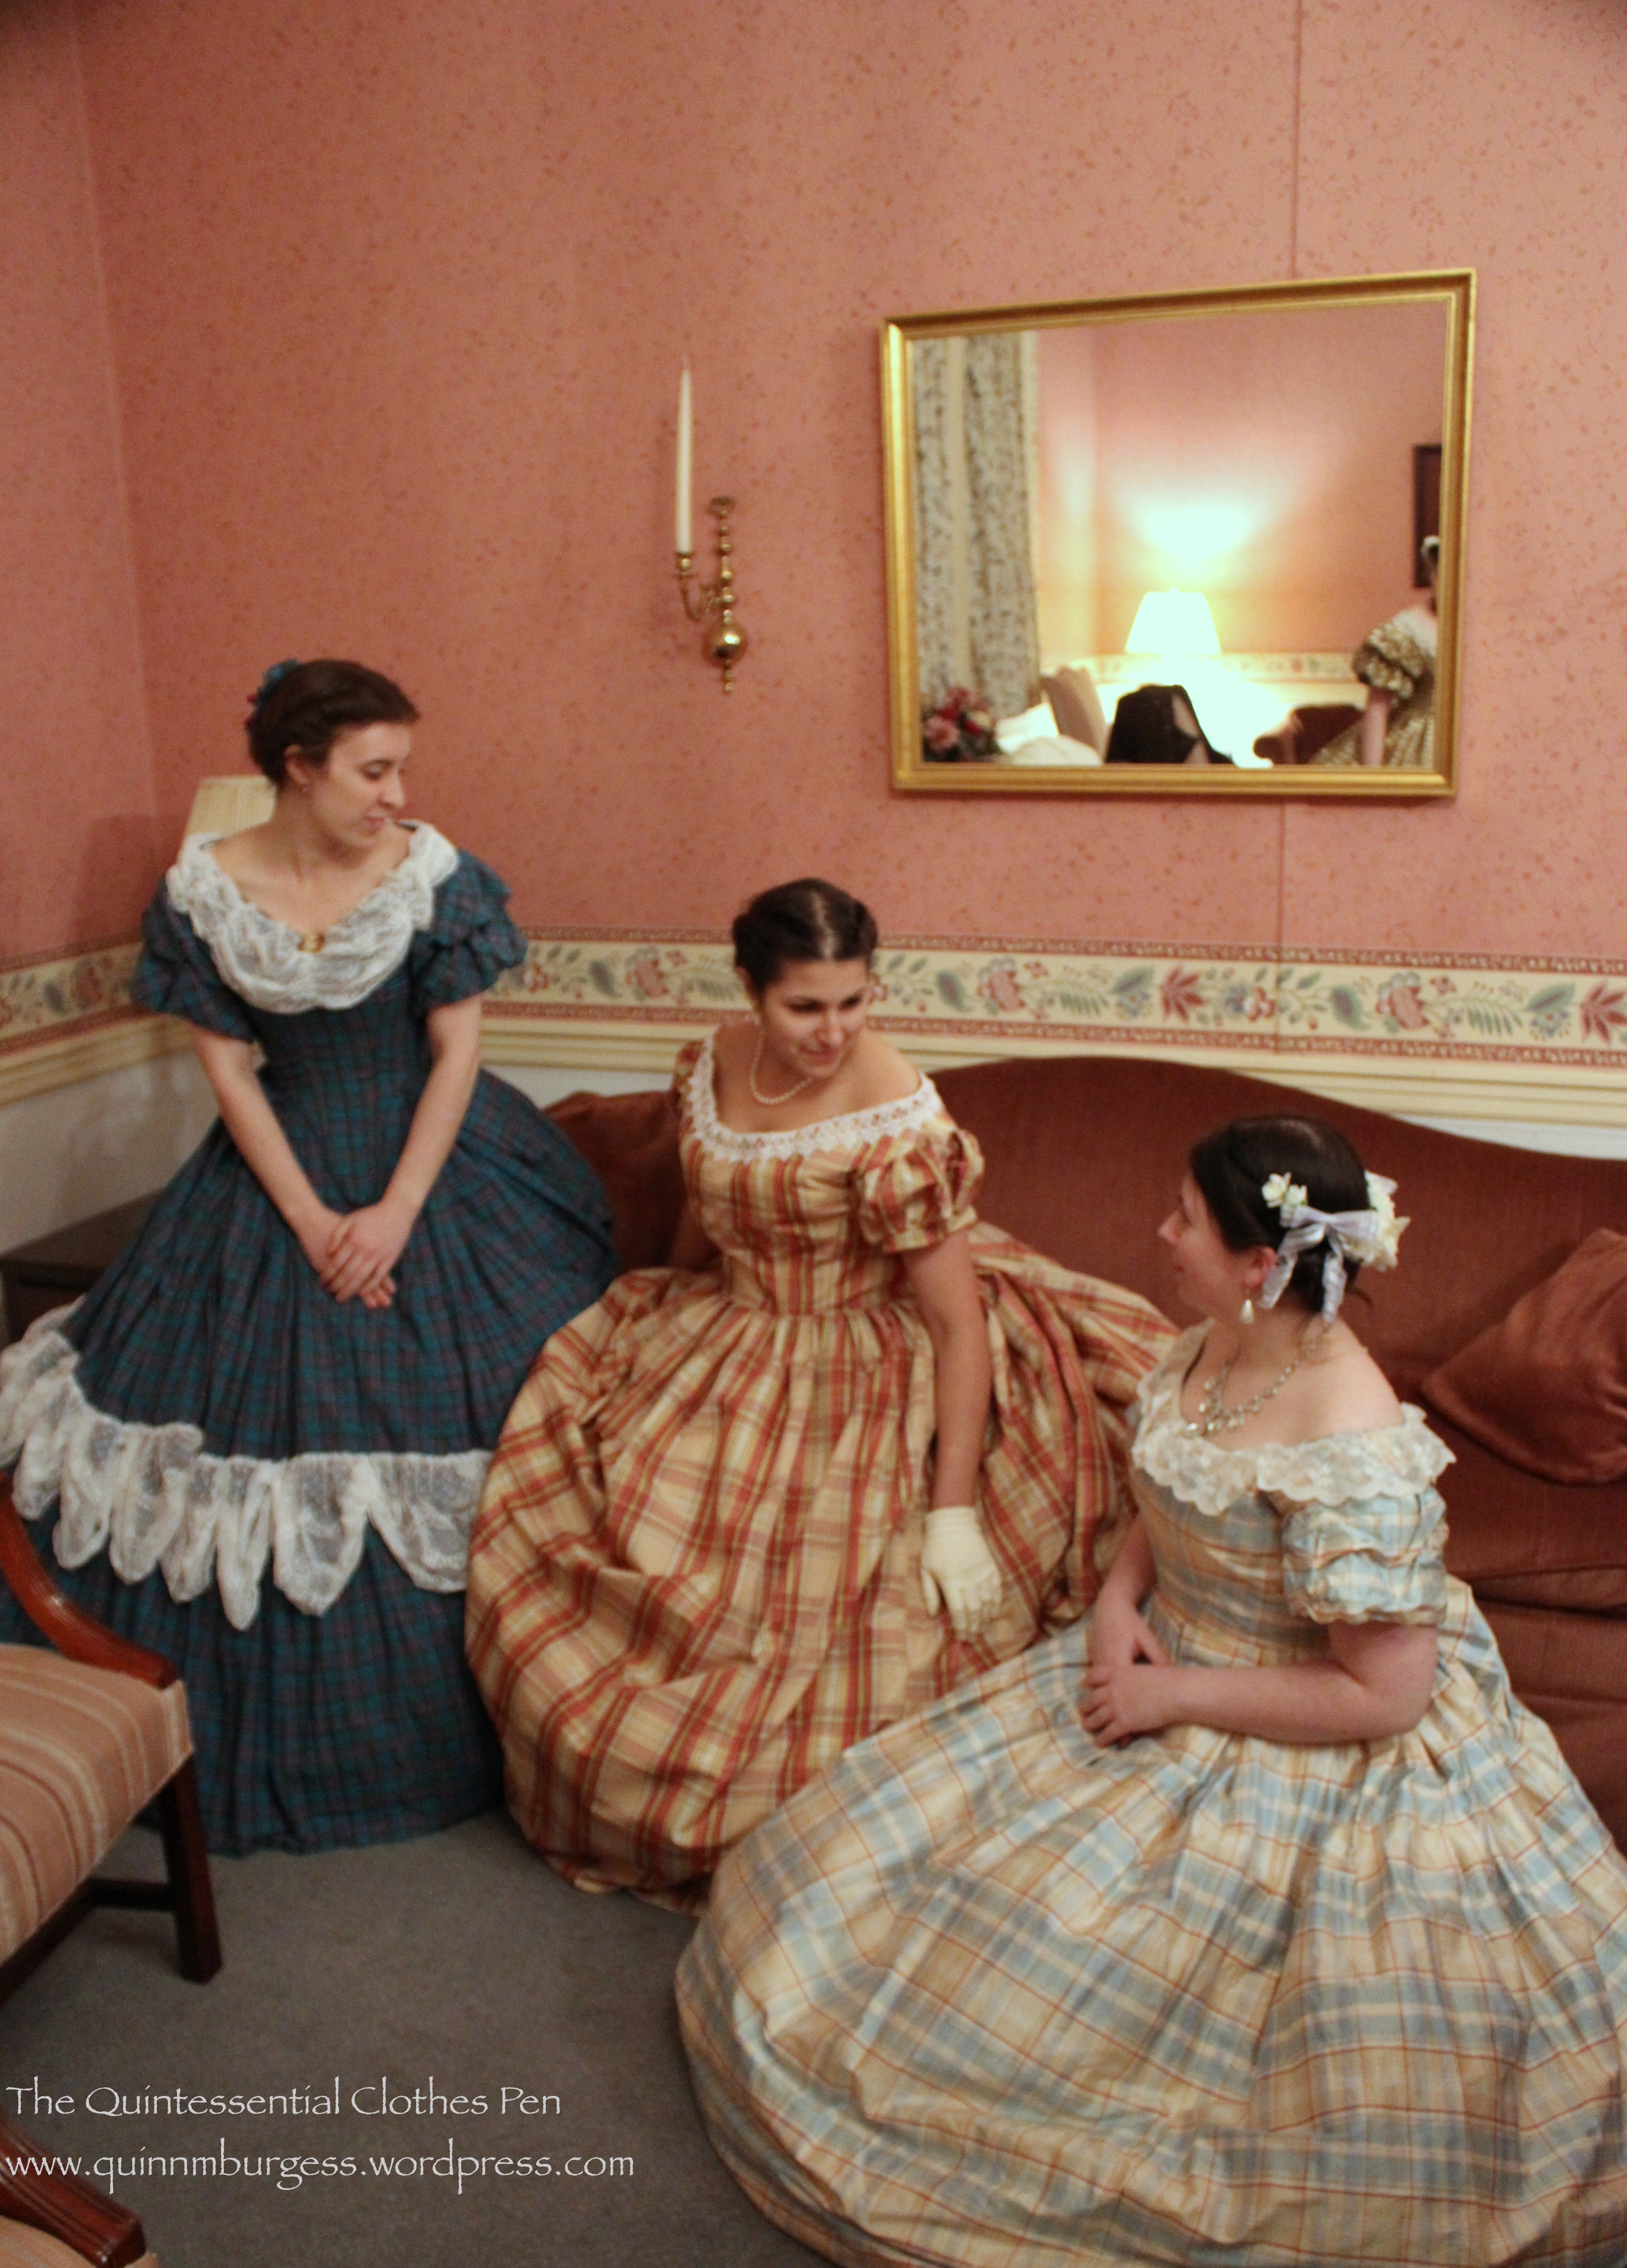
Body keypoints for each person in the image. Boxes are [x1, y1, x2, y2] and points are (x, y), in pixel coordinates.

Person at [678, 1114, 1627, 2268]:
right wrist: (1121, 1600)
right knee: (886, 1882)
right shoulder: (1213, 1339)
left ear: (1258, 1261)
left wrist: (1171, 1695)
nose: (1160, 1233)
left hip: (1293, 1725)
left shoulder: (1348, 1432)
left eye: (1183, 1218)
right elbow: (1170, 1489)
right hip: (1162, 1650)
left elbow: (1383, 1696)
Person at [0, 659, 618, 1854]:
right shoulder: (202, 893)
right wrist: (312, 1222)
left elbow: (454, 1057)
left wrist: (390, 1215)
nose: (397, 795)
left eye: (402, 769)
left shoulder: (434, 878)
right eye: (373, 771)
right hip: (274, 1178)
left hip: (439, 1169)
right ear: (298, 768)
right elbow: (231, 1074)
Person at [465, 878, 1173, 1904]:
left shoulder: (890, 1107)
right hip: (732, 1332)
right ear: (750, 989)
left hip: (874, 1356)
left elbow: (955, 1324)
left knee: (844, 1638)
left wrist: (951, 1514)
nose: (833, 1031)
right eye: (804, 1006)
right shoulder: (713, 1060)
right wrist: (670, 1319)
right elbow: (713, 1214)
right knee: (617, 1540)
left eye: (853, 1000)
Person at [1310, 534, 1439, 770]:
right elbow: (1378, 707)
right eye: (1437, 571)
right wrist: (1374, 775)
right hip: (1415, 748)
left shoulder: (1489, 632)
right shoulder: (1411, 628)